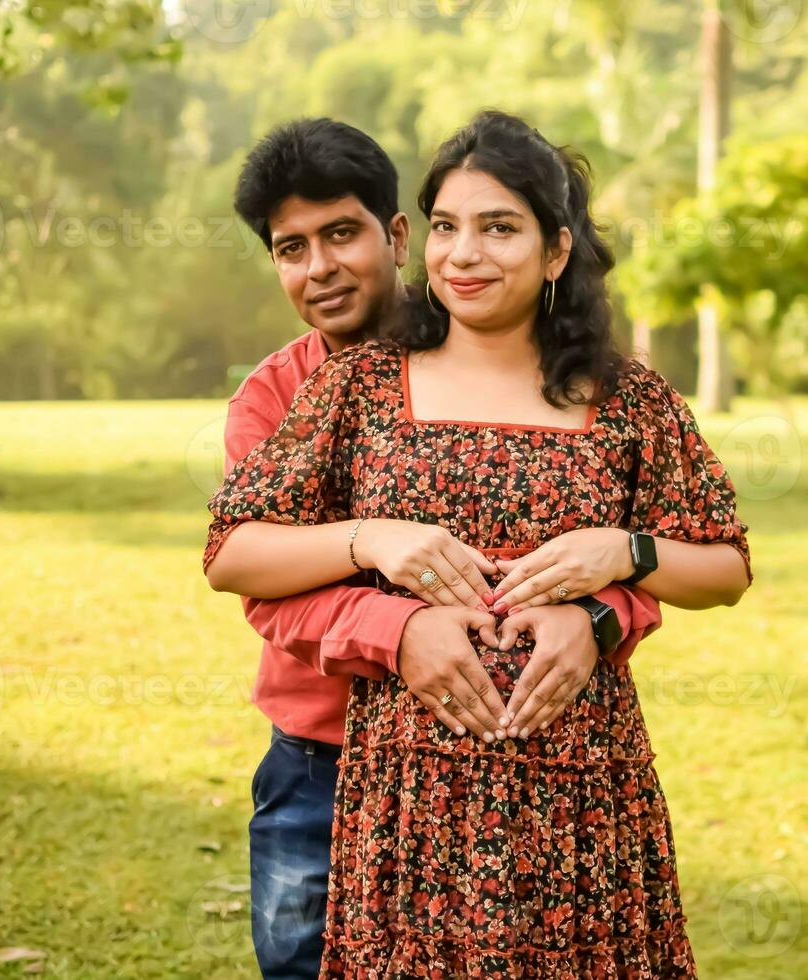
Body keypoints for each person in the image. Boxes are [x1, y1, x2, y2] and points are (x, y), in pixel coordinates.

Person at [205, 110, 751, 976]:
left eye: (499, 227)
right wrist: (379, 564)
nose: (464, 254)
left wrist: (622, 564)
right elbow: (235, 555)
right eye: (450, 228)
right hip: (380, 781)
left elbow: (723, 564)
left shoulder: (628, 398)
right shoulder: (346, 390)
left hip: (577, 784)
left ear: (557, 249)